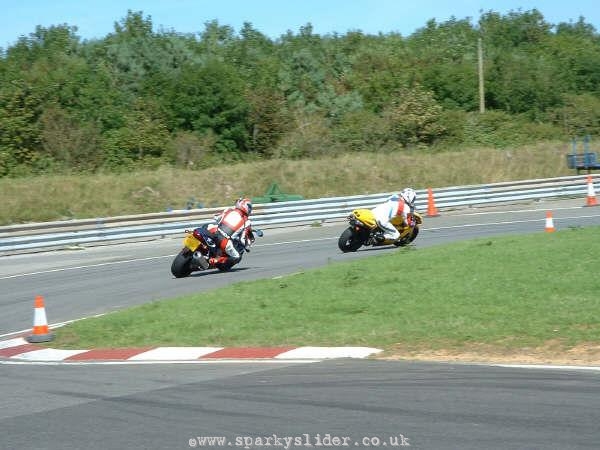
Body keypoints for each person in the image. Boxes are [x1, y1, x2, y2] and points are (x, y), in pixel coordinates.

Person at [206, 197, 254, 268]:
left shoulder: (228, 210)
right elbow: (242, 239)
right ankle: (215, 260)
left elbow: (216, 217)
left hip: (214, 231)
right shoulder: (246, 221)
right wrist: (246, 246)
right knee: (237, 257)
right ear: (245, 207)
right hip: (224, 240)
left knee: (208, 226)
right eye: (249, 207)